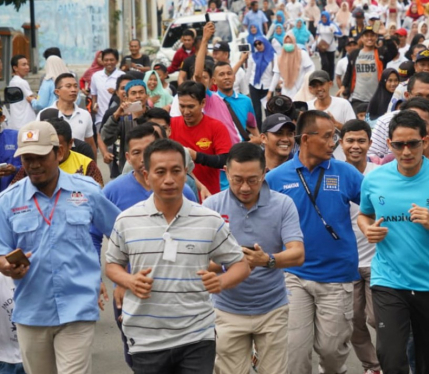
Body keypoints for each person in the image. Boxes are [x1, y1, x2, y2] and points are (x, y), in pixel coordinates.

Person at [106, 138, 250, 374]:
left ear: (186, 173)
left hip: (197, 335)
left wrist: (221, 281)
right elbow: (112, 265)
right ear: (146, 175)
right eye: (160, 172)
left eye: (176, 171)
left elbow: (241, 265)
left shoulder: (209, 220)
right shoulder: (126, 220)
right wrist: (129, 281)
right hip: (145, 336)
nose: (169, 180)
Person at [358, 109, 429, 374]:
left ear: (425, 140)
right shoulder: (375, 178)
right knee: (390, 355)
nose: (407, 151)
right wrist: (367, 229)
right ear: (389, 145)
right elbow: (364, 214)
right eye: (399, 145)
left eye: (413, 143)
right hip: (388, 280)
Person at [0, 121, 120, 374]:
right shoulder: (8, 200)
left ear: (59, 153)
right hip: (31, 311)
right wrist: (6, 265)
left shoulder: (87, 191)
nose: (33, 165)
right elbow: (1, 250)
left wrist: (121, 278)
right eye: (27, 158)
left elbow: (121, 232)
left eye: (41, 157)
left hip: (78, 308)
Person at [265, 110, 363, 374]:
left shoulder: (346, 173)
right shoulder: (276, 178)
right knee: (294, 353)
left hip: (337, 275)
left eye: (335, 136)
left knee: (332, 353)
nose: (334, 142)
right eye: (328, 136)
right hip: (294, 275)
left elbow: (372, 206)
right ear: (306, 139)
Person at [202, 142, 304, 374]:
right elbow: (198, 261)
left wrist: (266, 260)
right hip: (226, 309)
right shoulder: (211, 207)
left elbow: (297, 254)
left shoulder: (283, 204)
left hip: (272, 308)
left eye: (253, 180)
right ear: (226, 172)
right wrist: (233, 261)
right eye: (237, 179)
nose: (245, 187)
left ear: (264, 173)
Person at [338, 119, 381, 374]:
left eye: (361, 141)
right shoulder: (333, 173)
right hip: (347, 263)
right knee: (353, 321)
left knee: (379, 319)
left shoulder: (381, 173)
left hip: (379, 260)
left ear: (370, 143)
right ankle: (372, 366)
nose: (356, 146)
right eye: (350, 141)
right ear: (341, 143)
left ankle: (393, 360)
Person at [368, 72, 429, 159]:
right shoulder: (385, 121)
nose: (423, 100)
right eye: (419, 95)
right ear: (407, 95)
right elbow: (372, 156)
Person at [170, 81, 233, 195]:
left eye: (191, 106)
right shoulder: (171, 125)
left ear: (203, 103)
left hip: (209, 195)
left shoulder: (216, 127)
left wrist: (196, 156)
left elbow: (226, 160)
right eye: (182, 106)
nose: (186, 111)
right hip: (178, 196)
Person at [11, 118, 104, 186]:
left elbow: (99, 196)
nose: (35, 165)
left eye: (42, 157)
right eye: (27, 159)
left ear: (70, 143)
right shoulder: (28, 170)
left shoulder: (87, 165)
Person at [340, 25, 397, 111]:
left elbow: (393, 52)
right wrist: (343, 86)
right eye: (366, 36)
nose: (369, 38)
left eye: (372, 35)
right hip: (357, 99)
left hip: (377, 98)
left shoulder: (381, 52)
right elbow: (349, 72)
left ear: (376, 37)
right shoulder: (355, 53)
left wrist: (386, 35)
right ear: (362, 38)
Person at [38, 73, 96, 155]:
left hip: (79, 164)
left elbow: (90, 144)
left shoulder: (85, 115)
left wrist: (93, 166)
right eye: (68, 86)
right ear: (57, 92)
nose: (73, 90)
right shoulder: (45, 114)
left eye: (76, 86)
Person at [102, 79, 150, 171]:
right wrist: (115, 117)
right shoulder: (123, 119)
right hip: (129, 169)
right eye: (133, 93)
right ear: (126, 98)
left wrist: (140, 117)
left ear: (147, 96)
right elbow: (107, 139)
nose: (138, 96)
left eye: (141, 92)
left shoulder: (155, 115)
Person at [269, 31, 315, 99]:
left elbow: (311, 70)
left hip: (301, 91)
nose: (288, 45)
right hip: (286, 93)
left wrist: (305, 83)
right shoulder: (280, 58)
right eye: (286, 43)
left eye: (290, 42)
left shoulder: (302, 54)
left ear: (294, 43)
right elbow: (276, 75)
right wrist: (270, 91)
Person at [247, 36, 276, 128]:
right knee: (257, 112)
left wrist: (271, 90)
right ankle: (259, 133)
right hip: (254, 86)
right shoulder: (252, 56)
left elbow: (276, 73)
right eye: (255, 44)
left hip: (268, 87)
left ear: (265, 43)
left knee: (269, 111)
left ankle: (270, 131)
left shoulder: (273, 56)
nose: (258, 46)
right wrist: (247, 89)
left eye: (260, 43)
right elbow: (249, 72)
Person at [90, 48, 124, 126]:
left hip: (118, 117)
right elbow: (94, 94)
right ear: (102, 61)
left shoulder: (122, 75)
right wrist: (94, 106)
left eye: (112, 60)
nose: (109, 62)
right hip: (100, 118)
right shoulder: (96, 76)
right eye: (106, 60)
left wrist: (116, 92)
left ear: (117, 61)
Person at [7, 55, 36, 130]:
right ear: (15, 68)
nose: (27, 67)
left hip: (16, 121)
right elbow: (31, 99)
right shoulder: (22, 82)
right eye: (24, 65)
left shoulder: (12, 82)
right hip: (26, 122)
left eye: (27, 64)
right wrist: (39, 97)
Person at [316, 11, 342, 80]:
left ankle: (330, 78)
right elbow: (317, 33)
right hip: (321, 46)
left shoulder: (332, 25)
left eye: (325, 17)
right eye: (322, 17)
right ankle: (323, 77)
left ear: (328, 17)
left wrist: (333, 31)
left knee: (331, 64)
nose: (324, 18)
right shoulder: (319, 24)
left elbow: (340, 34)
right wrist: (316, 41)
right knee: (325, 63)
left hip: (330, 47)